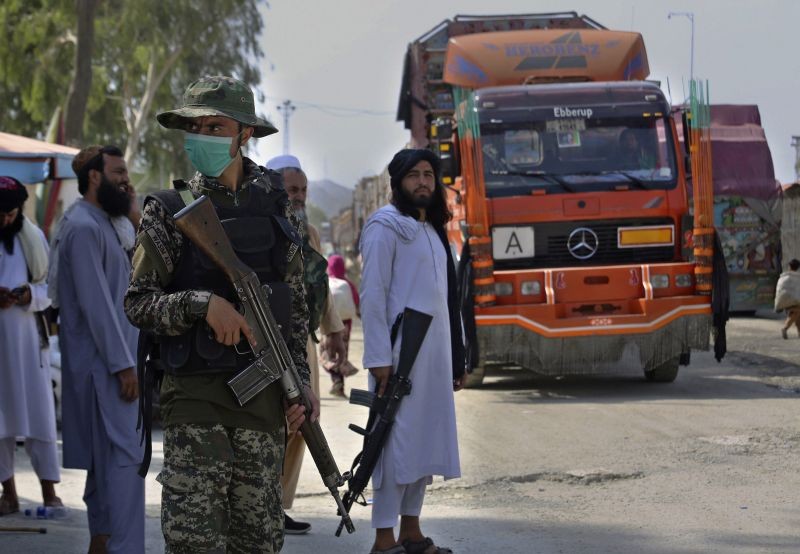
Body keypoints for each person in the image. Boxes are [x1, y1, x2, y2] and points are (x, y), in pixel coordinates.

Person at [125, 76, 315, 553]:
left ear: (244, 133)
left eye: (216, 125)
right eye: (196, 126)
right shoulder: (169, 211)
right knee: (195, 543)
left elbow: (293, 306)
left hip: (263, 407)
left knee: (258, 543)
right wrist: (202, 304)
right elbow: (138, 303)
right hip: (195, 404)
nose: (203, 135)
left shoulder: (279, 210)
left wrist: (300, 382)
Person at [360, 149, 466, 554]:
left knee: (423, 444)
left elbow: (448, 300)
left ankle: (411, 532)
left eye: (429, 175)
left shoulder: (433, 230)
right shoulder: (384, 227)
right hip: (399, 358)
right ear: (398, 182)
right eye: (414, 176)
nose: (423, 182)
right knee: (393, 447)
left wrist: (458, 357)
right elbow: (372, 296)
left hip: (435, 359)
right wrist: (379, 358)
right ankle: (384, 539)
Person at [54, 146, 144, 553]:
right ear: (94, 177)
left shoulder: (105, 223)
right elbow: (96, 305)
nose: (126, 180)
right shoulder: (83, 228)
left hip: (111, 364)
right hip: (105, 369)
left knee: (108, 463)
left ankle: (103, 541)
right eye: (118, 172)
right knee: (126, 461)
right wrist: (124, 366)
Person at [265, 154, 346, 534]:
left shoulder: (309, 233)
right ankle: (260, 506)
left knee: (303, 423)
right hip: (269, 343)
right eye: (290, 190)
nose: (297, 197)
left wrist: (333, 329)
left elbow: (320, 285)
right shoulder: (260, 226)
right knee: (276, 425)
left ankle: (278, 507)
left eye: (302, 190)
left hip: (305, 343)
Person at [0, 177, 62, 516]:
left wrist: (27, 296)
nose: (5, 220)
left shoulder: (34, 238)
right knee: (1, 422)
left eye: (10, 214)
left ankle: (49, 492)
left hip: (29, 346)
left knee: (40, 418)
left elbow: (50, 288)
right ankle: (8, 494)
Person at [324, 254, 361, 394]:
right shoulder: (348, 284)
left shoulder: (326, 282)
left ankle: (337, 380)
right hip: (346, 327)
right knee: (342, 354)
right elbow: (356, 303)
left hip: (328, 326)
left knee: (328, 354)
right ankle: (340, 382)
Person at [775, 258, 800, 339]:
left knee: (797, 315)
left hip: (785, 302)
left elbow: (779, 290)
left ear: (789, 266)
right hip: (795, 302)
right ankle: (785, 328)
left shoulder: (783, 277)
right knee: (797, 312)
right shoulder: (798, 278)